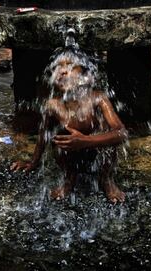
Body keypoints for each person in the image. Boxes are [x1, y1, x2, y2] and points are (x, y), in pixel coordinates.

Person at [11, 48, 127, 203]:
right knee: (58, 138)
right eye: (57, 67)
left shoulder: (98, 98)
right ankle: (69, 178)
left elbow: (122, 133)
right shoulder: (52, 105)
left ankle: (106, 179)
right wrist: (33, 162)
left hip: (96, 150)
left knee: (108, 137)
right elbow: (43, 137)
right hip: (71, 152)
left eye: (70, 65)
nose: (62, 71)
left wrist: (86, 141)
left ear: (87, 77)